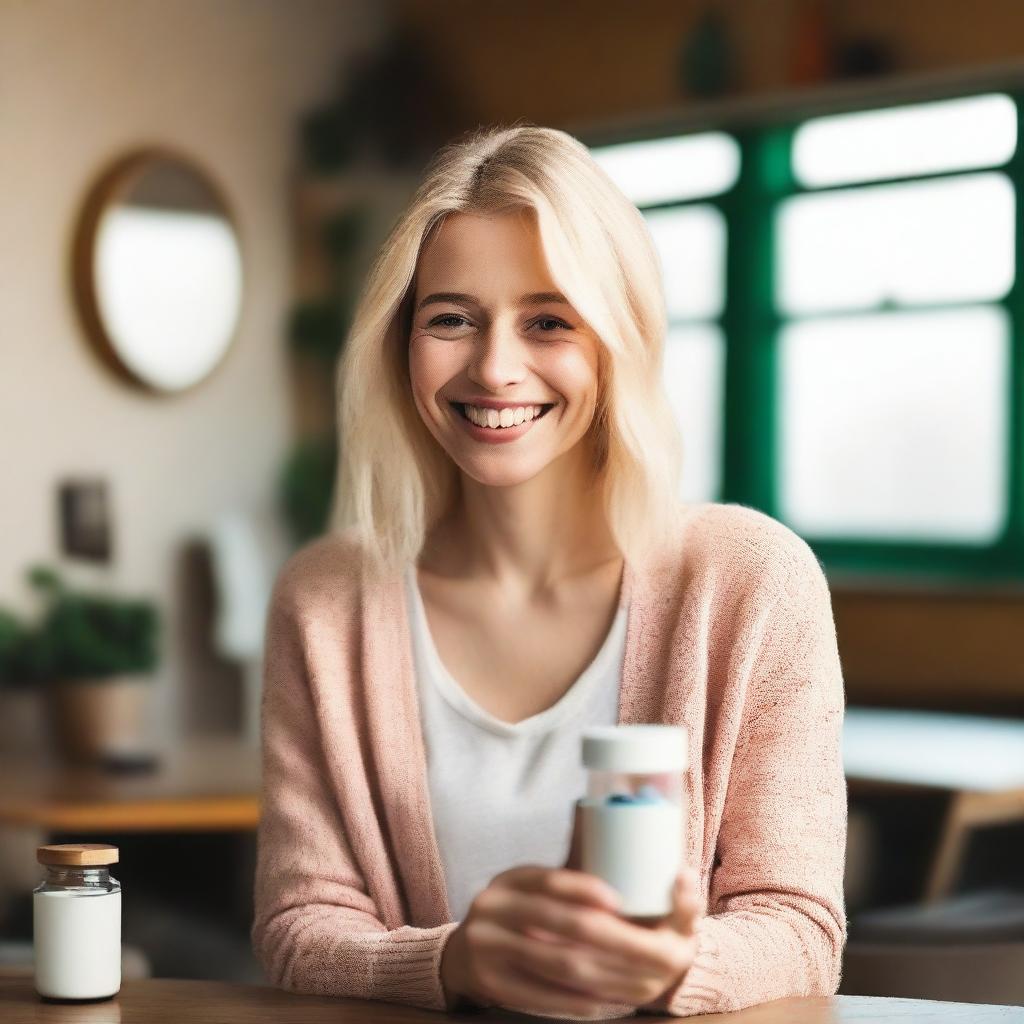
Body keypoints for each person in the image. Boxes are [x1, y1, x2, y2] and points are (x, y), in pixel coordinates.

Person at [250, 122, 847, 1020]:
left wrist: (665, 964)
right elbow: (300, 927)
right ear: (398, 343)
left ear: (619, 339)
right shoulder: (327, 599)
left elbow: (800, 928)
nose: (494, 367)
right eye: (450, 318)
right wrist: (455, 962)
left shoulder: (752, 583)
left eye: (548, 321)